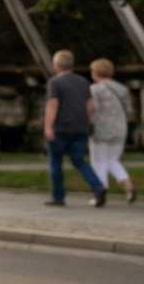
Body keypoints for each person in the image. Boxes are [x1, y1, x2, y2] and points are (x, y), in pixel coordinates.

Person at [44, 49, 107, 207]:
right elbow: (90, 106)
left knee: (55, 162)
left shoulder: (55, 82)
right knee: (79, 161)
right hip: (80, 129)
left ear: (56, 65)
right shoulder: (84, 82)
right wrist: (85, 121)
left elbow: (53, 104)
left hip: (60, 128)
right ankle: (98, 187)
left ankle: (58, 197)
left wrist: (48, 126)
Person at [87, 58, 136, 204]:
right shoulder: (122, 89)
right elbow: (129, 110)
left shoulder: (94, 89)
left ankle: (100, 194)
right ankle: (128, 185)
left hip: (101, 129)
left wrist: (88, 124)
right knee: (113, 160)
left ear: (95, 73)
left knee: (99, 161)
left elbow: (92, 110)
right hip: (120, 128)